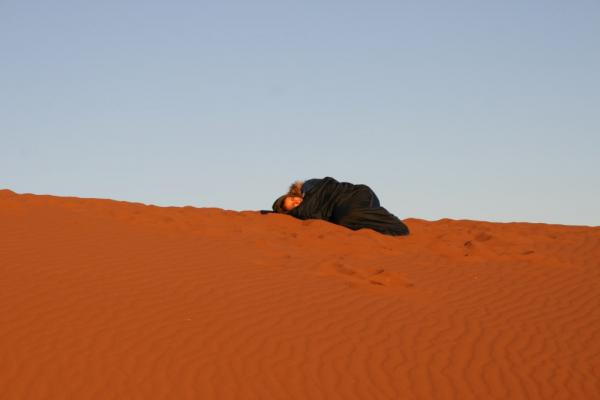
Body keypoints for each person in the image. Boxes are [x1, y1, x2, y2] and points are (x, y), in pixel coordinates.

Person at [272, 177, 409, 236]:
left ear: (292, 194)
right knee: (345, 219)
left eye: (292, 199)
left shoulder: (309, 185)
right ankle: (380, 222)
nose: (296, 202)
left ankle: (393, 224)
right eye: (293, 206)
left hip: (355, 194)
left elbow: (329, 187)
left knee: (347, 217)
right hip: (347, 207)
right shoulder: (303, 212)